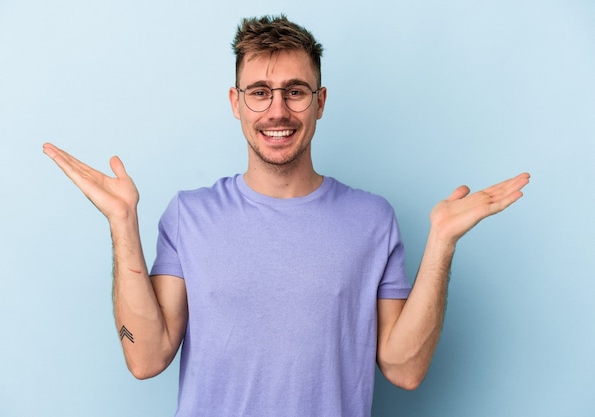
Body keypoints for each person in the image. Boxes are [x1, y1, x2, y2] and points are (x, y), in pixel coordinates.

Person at [43, 14, 529, 417]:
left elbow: (404, 369)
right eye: (259, 92)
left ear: (320, 103)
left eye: (296, 92)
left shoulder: (372, 219)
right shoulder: (189, 215)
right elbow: (146, 356)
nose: (278, 111)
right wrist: (122, 222)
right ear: (236, 103)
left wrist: (442, 241)